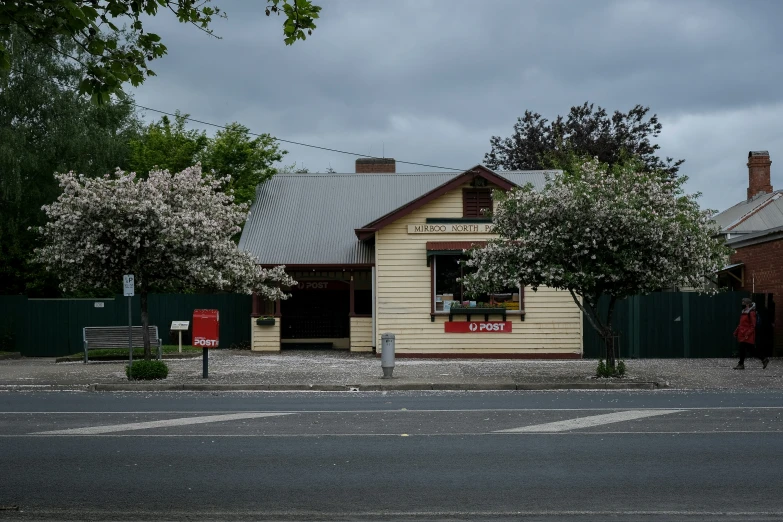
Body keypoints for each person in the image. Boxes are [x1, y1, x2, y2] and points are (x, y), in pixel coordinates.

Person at [733, 298, 770, 370]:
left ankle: (741, 364)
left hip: (747, 335)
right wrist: (736, 332)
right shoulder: (744, 312)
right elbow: (741, 324)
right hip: (743, 334)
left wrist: (747, 334)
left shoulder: (751, 313)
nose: (742, 304)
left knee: (744, 349)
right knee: (751, 350)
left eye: (743, 302)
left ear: (747, 304)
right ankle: (764, 359)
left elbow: (753, 325)